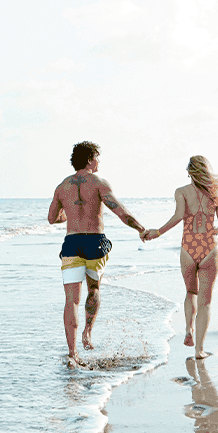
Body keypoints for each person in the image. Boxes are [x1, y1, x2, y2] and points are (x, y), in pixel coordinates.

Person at [47, 141, 149, 367]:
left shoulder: (62, 186)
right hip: (94, 242)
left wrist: (70, 216)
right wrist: (141, 229)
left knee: (71, 300)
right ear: (90, 158)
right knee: (94, 289)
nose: (99, 162)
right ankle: (87, 333)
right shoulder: (100, 183)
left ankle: (73, 354)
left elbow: (52, 218)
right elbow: (121, 212)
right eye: (98, 158)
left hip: (72, 243)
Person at [148, 155, 218, 359]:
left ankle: (188, 329)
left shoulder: (181, 192)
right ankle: (199, 350)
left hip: (188, 248)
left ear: (189, 172)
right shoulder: (215, 193)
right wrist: (213, 231)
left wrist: (156, 232)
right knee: (206, 302)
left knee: (191, 292)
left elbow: (178, 217)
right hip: (209, 248)